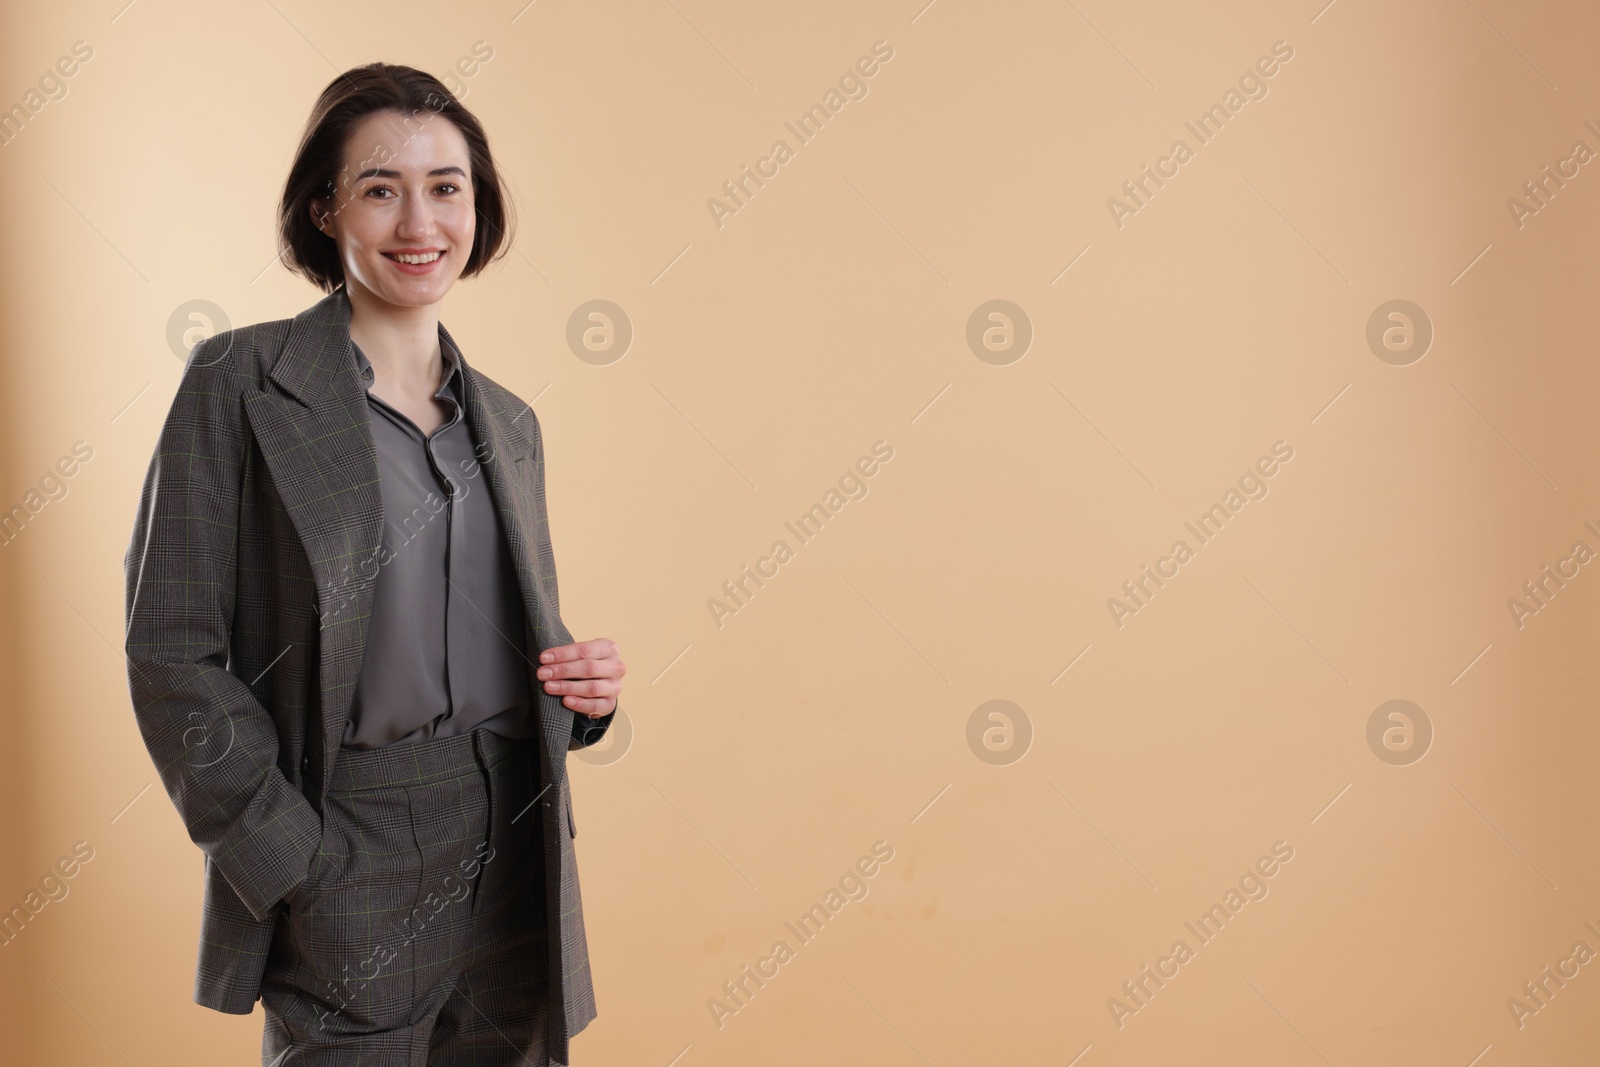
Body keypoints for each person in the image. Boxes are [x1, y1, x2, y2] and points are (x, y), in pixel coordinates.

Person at [123, 62, 624, 1066]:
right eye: (380, 186)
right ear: (324, 209)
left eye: (447, 186)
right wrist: (291, 857)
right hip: (347, 835)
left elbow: (487, 632)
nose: (419, 220)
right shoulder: (238, 383)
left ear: (476, 209)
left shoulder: (510, 423)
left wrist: (584, 691)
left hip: (514, 835)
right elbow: (173, 650)